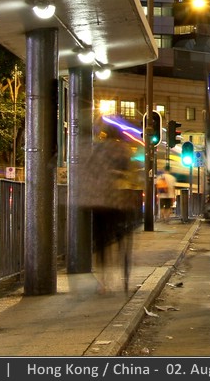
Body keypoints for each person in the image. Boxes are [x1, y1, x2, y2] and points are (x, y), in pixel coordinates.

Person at [79, 123, 141, 293]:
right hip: (117, 201)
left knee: (101, 244)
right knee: (123, 242)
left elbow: (89, 171)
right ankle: (124, 282)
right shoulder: (123, 149)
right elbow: (132, 174)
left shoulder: (97, 149)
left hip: (98, 201)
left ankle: (104, 282)